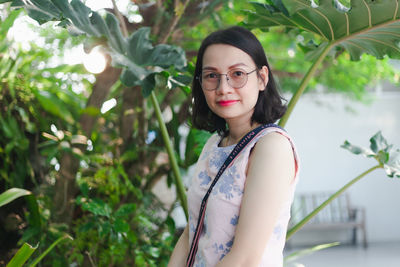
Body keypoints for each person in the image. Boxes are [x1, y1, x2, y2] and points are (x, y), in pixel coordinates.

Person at [168, 26, 299, 267]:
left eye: (237, 73)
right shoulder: (214, 144)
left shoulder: (271, 146)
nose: (223, 88)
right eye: (211, 76)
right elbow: (192, 231)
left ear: (262, 78)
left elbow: (245, 259)